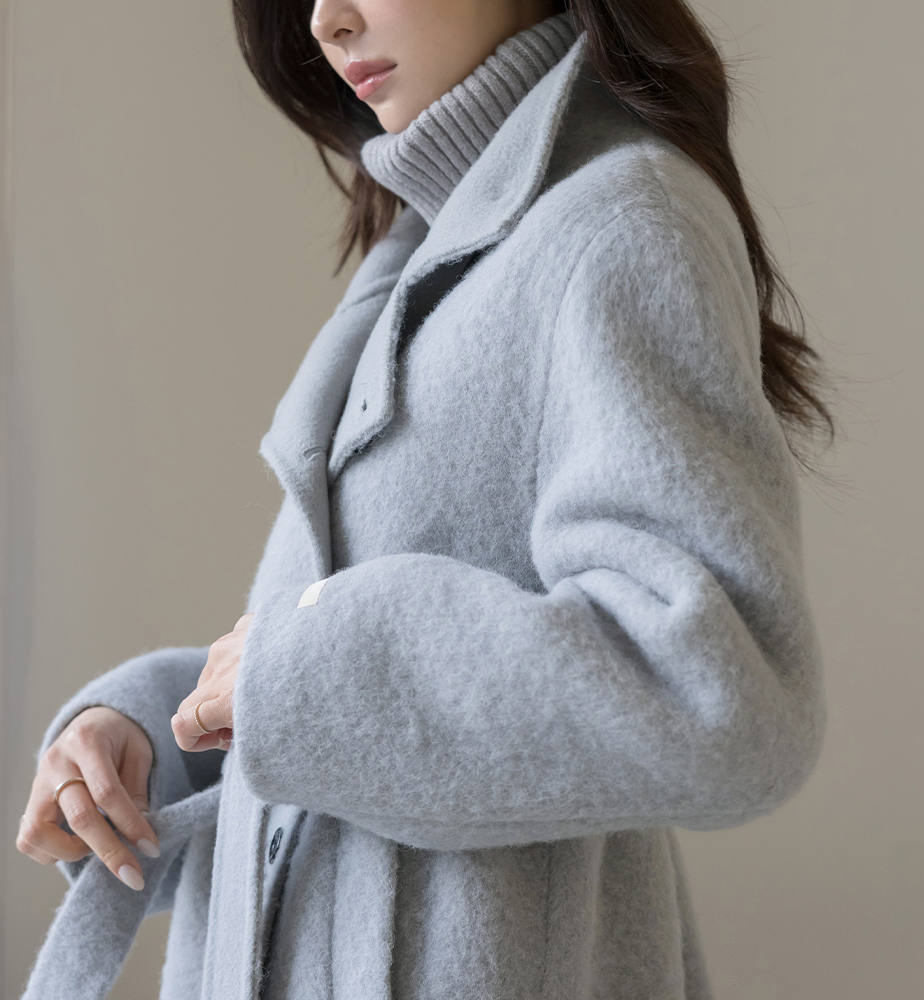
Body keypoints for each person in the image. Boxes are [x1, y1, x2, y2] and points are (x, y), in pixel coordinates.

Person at [16, 0, 832, 997]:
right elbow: (377, 665)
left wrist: (299, 668)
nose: (326, 20)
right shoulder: (430, 252)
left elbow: (728, 697)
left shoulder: (621, 221)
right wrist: (159, 731)